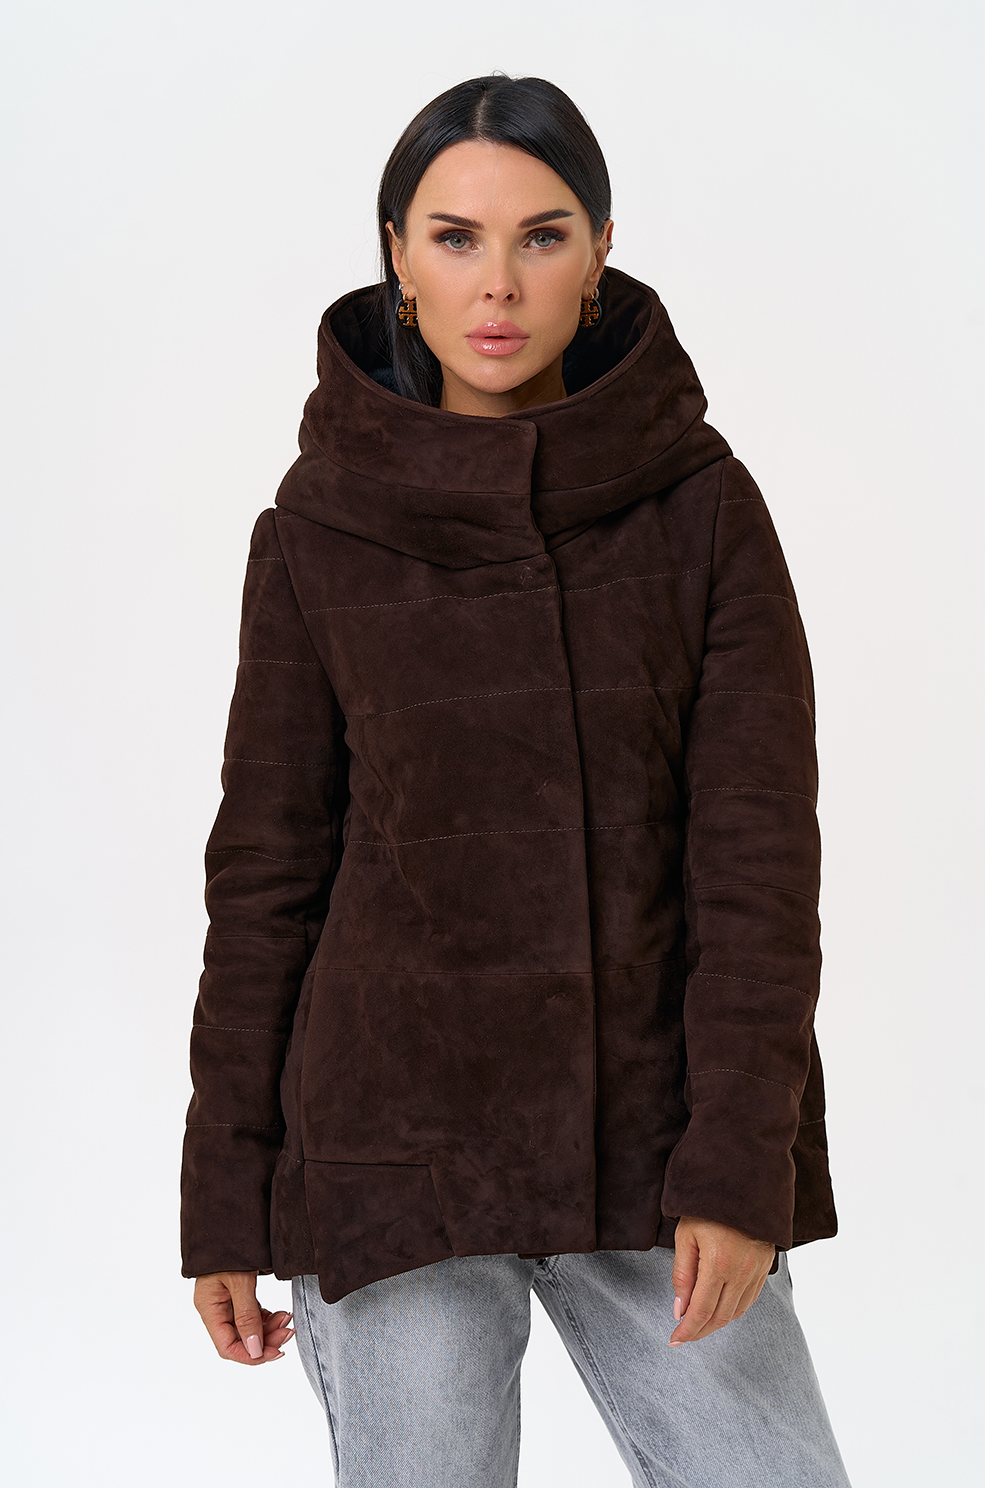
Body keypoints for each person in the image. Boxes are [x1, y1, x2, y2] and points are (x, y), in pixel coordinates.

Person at [180, 73, 852, 1488]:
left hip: (655, 1139)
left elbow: (756, 863)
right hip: (389, 1148)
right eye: (456, 237)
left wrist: (742, 1162)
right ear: (398, 256)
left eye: (542, 236)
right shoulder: (315, 529)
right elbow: (267, 877)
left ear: (600, 252)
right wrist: (226, 1191)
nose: (498, 284)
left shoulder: (703, 509)